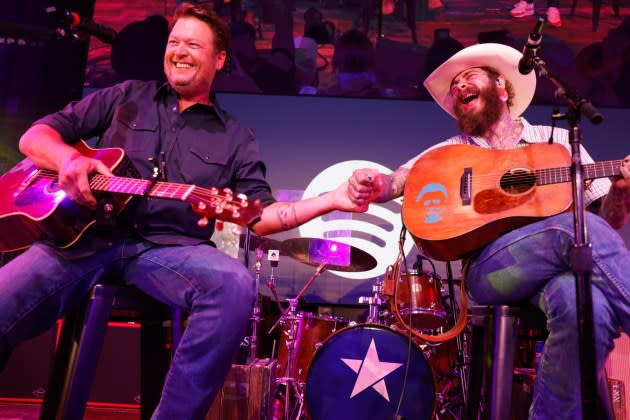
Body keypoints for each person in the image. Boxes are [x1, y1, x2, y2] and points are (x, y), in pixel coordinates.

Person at [0, 3, 362, 419]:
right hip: (82, 242)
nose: (180, 51)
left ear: (219, 59)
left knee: (233, 284)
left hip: (168, 252)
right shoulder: (126, 96)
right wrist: (68, 160)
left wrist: (332, 200)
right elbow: (36, 136)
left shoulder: (237, 138)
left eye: (193, 44)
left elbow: (260, 215)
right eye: (174, 42)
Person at [347, 43, 630, 418]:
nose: (459, 86)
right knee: (570, 232)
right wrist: (377, 183)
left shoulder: (556, 141)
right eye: (454, 85)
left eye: (469, 76)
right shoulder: (453, 150)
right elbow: (400, 179)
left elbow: (601, 223)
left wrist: (622, 193)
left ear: (501, 86)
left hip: (557, 272)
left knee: (588, 307)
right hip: (492, 271)